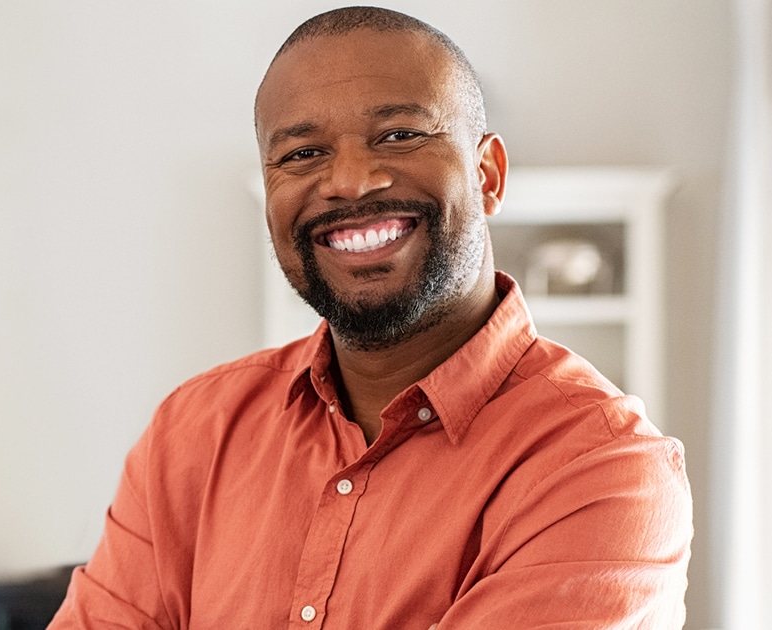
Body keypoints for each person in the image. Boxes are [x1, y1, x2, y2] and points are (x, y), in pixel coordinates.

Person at [49, 6, 692, 629]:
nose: (351, 181)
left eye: (400, 135)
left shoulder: (602, 469)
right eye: (302, 153)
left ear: (488, 173)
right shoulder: (192, 432)